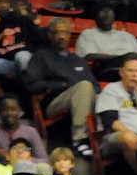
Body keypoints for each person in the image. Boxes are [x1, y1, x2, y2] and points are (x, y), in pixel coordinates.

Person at [25, 19, 98, 160]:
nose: (61, 36)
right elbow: (32, 84)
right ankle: (79, 140)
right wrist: (62, 85)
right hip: (54, 101)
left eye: (64, 32)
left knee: (103, 94)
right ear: (49, 36)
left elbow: (95, 84)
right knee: (84, 86)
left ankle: (100, 139)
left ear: (70, 35)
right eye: (56, 32)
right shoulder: (42, 57)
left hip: (83, 97)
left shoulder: (78, 59)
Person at [95, 55, 137, 171]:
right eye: (130, 71)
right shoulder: (111, 90)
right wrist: (136, 138)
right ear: (121, 72)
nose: (134, 75)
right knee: (129, 138)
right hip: (115, 138)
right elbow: (110, 122)